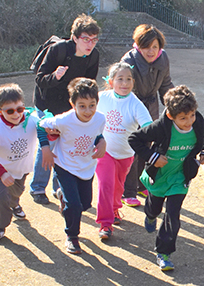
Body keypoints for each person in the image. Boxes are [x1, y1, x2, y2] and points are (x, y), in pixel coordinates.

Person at [128, 86, 204, 271]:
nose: (189, 121)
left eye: (192, 115)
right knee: (154, 208)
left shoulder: (198, 122)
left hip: (180, 177)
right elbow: (134, 139)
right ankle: (150, 215)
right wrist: (152, 157)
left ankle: (163, 253)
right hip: (159, 177)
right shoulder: (160, 127)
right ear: (171, 116)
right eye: (183, 118)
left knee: (173, 216)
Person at [30, 14, 100, 205]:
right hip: (48, 104)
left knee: (66, 145)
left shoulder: (93, 55)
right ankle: (37, 187)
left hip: (69, 107)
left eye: (94, 39)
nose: (90, 43)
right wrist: (56, 77)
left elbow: (89, 85)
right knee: (49, 144)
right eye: (86, 39)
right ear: (75, 37)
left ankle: (58, 188)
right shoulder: (58, 50)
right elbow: (39, 79)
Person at [38, 78, 106, 254]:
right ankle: (72, 237)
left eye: (92, 105)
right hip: (64, 165)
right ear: (72, 103)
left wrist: (102, 141)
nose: (87, 110)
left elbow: (95, 134)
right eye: (82, 106)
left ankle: (62, 195)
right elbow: (40, 126)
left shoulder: (99, 118)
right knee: (74, 206)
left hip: (86, 167)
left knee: (84, 205)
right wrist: (45, 148)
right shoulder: (64, 120)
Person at [94, 62, 152, 239]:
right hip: (104, 151)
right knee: (106, 184)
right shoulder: (100, 97)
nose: (125, 83)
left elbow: (149, 126)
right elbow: (81, 110)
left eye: (128, 79)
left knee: (118, 187)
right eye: (120, 79)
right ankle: (105, 224)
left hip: (126, 154)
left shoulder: (135, 103)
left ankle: (114, 210)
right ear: (111, 82)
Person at [120, 24, 174, 207]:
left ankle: (142, 183)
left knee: (147, 146)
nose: (151, 51)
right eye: (146, 47)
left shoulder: (163, 58)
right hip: (131, 107)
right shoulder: (128, 60)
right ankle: (128, 191)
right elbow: (123, 89)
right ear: (137, 45)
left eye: (155, 47)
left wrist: (174, 106)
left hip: (151, 107)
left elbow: (166, 85)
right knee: (132, 149)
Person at [0, 84, 39, 244]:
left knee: (16, 193)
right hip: (3, 170)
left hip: (22, 168)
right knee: (0, 197)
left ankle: (14, 204)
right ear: (0, 111)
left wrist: (52, 131)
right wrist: (1, 173)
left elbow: (47, 130)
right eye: (10, 111)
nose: (16, 114)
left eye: (19, 109)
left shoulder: (31, 119)